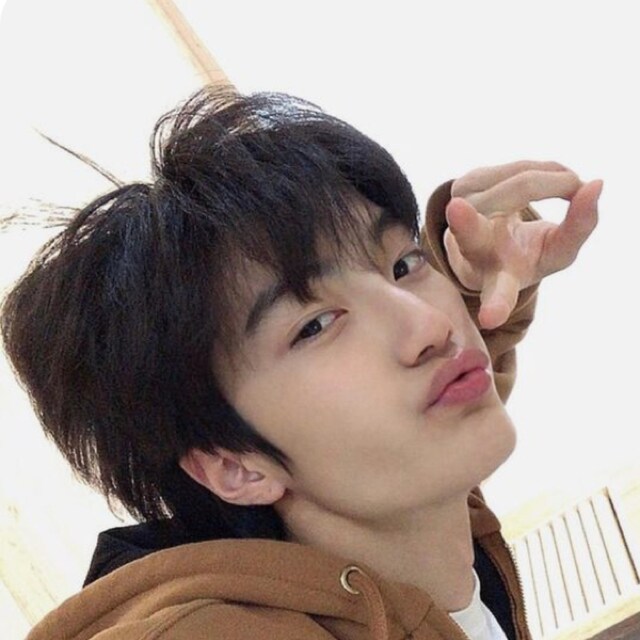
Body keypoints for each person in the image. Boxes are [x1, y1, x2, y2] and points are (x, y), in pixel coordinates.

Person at [1, 85, 602, 640]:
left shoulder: (406, 507)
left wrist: (473, 273)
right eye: (314, 326)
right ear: (233, 464)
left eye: (402, 264)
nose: (432, 325)